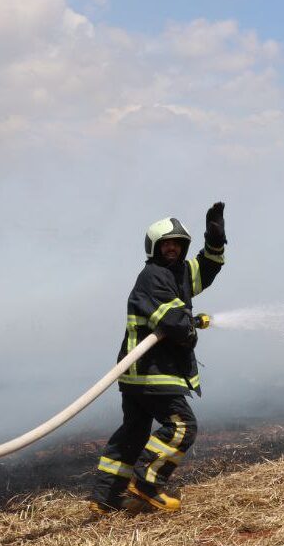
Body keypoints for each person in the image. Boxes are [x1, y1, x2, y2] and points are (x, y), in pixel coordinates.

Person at [89, 203, 226, 515]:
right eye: (166, 244)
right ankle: (147, 484)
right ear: (154, 247)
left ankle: (106, 497)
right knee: (181, 426)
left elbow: (206, 269)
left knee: (133, 433)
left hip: (138, 374)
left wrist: (215, 240)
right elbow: (173, 322)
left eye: (178, 244)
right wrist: (192, 325)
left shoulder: (177, 274)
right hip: (153, 372)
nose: (173, 249)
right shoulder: (153, 276)